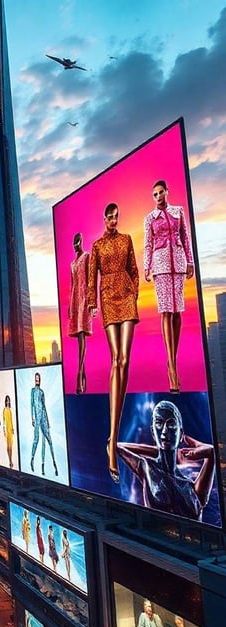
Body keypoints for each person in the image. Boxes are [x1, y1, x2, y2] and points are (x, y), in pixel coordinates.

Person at [87, 202, 139, 484]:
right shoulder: (96, 246)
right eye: (110, 217)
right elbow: (92, 278)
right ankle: (113, 441)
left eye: (117, 216)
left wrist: (133, 289)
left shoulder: (127, 239)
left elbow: (133, 268)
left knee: (125, 360)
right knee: (116, 359)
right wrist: (93, 303)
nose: (114, 221)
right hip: (108, 299)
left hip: (127, 298)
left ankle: (113, 439)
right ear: (104, 218)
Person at [116, 400, 215, 521]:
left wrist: (208, 450)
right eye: (159, 423)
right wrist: (158, 449)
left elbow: (211, 453)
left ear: (181, 434)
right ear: (153, 432)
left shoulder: (191, 487)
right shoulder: (147, 467)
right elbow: (115, 446)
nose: (164, 431)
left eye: (171, 424)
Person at [143, 180, 194, 394]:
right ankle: (171, 367)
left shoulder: (178, 212)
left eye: (160, 192)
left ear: (167, 192)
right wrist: (147, 266)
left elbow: (185, 236)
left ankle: (173, 358)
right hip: (161, 265)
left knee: (177, 312)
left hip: (179, 263)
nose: (158, 196)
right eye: (154, 194)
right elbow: (147, 243)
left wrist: (190, 261)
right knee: (165, 311)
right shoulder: (149, 218)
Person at [68, 232, 93, 393]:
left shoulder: (86, 257)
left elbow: (90, 279)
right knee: (79, 337)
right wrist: (70, 306)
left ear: (81, 242)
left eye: (78, 242)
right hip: (75, 300)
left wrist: (92, 302)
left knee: (83, 334)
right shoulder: (72, 264)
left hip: (85, 298)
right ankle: (83, 374)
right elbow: (72, 285)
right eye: (74, 243)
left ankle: (79, 375)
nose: (76, 245)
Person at [30, 372, 58, 476]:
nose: (37, 381)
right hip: (37, 418)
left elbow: (44, 405)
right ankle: (32, 460)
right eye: (36, 379)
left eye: (39, 379)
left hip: (43, 417)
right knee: (36, 440)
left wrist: (48, 420)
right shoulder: (32, 391)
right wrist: (32, 418)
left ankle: (53, 464)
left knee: (48, 440)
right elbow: (31, 404)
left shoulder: (42, 392)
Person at [2, 395, 15, 468]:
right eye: (6, 400)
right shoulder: (4, 410)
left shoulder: (10, 409)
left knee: (11, 446)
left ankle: (11, 460)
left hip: (10, 428)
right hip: (6, 429)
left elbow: (11, 420)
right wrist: (4, 430)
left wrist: (12, 428)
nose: (7, 401)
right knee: (8, 446)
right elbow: (4, 421)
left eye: (8, 400)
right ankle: (9, 460)